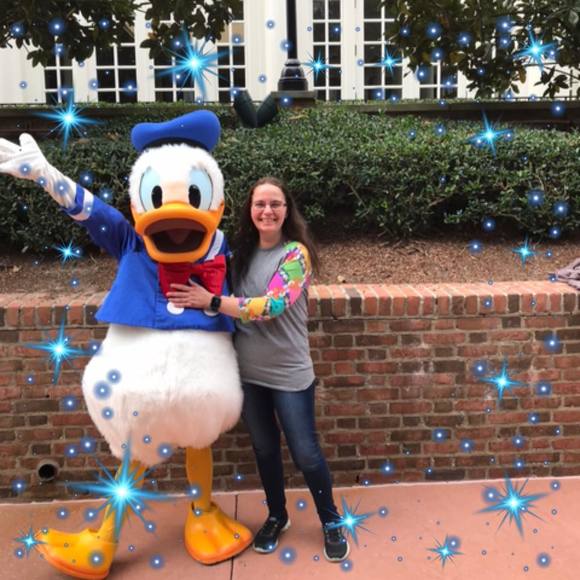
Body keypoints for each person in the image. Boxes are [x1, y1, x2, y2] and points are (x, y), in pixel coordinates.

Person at [167, 176, 349, 562]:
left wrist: (212, 301)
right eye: (260, 204)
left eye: (275, 204)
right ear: (250, 210)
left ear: (287, 210)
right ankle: (277, 515)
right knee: (264, 449)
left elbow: (272, 306)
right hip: (248, 373)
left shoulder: (296, 254)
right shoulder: (241, 254)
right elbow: (199, 269)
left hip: (289, 373)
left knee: (306, 453)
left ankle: (331, 520)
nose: (267, 211)